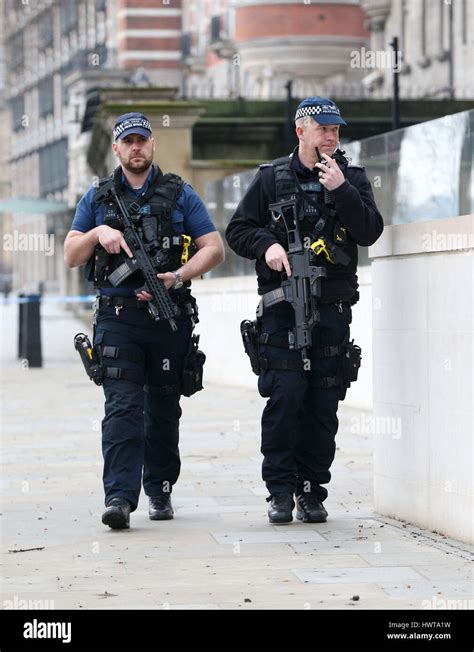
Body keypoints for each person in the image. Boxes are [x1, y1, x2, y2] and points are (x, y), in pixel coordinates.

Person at [225, 97, 383, 524]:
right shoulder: (271, 179)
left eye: (336, 130)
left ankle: (312, 491)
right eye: (323, 129)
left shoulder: (350, 177)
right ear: (301, 132)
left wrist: (341, 190)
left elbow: (369, 231)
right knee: (285, 398)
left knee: (323, 402)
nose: (331, 136)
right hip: (282, 310)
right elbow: (237, 230)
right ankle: (279, 491)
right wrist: (269, 245)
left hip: (331, 311)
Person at [64, 112, 224, 529]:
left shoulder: (179, 194)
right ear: (116, 149)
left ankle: (160, 490)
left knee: (163, 409)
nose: (136, 147)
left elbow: (214, 248)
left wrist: (178, 276)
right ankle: (119, 496)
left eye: (142, 140)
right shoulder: (96, 199)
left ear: (153, 145)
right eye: (127, 141)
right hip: (118, 319)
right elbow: (70, 253)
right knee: (122, 408)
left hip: (167, 317)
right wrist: (98, 233)